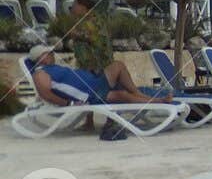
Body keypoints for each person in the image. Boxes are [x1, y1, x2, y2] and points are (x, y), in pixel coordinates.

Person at [27, 44, 173, 139]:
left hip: (95, 85)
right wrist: (69, 103)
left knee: (120, 79)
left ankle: (146, 97)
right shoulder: (40, 73)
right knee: (120, 78)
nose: (52, 55)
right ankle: (151, 98)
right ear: (40, 58)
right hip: (92, 94)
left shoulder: (53, 68)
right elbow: (45, 94)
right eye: (49, 53)